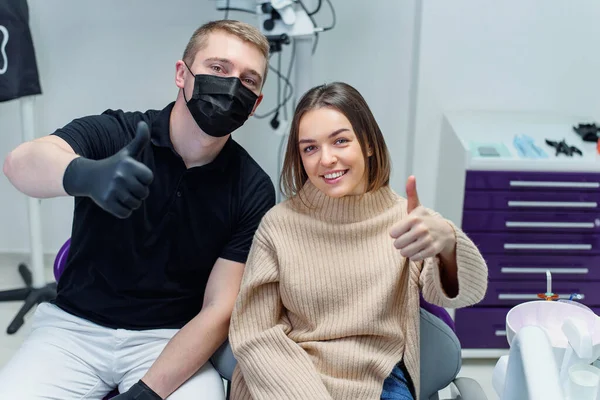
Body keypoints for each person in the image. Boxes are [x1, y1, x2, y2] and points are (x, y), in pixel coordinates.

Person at [0, 20, 275, 400]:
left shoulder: (253, 187)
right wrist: (84, 174)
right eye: (218, 68)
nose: (232, 86)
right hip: (72, 330)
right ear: (182, 74)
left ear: (256, 103)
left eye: (248, 80)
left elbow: (218, 308)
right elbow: (20, 163)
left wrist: (149, 390)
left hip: (170, 340)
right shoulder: (119, 133)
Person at [228, 82, 489, 400]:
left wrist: (448, 241)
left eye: (340, 141)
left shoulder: (403, 218)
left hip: (380, 379)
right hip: (291, 375)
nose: (326, 159)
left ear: (367, 143)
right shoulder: (278, 226)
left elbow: (465, 293)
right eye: (310, 148)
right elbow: (256, 332)